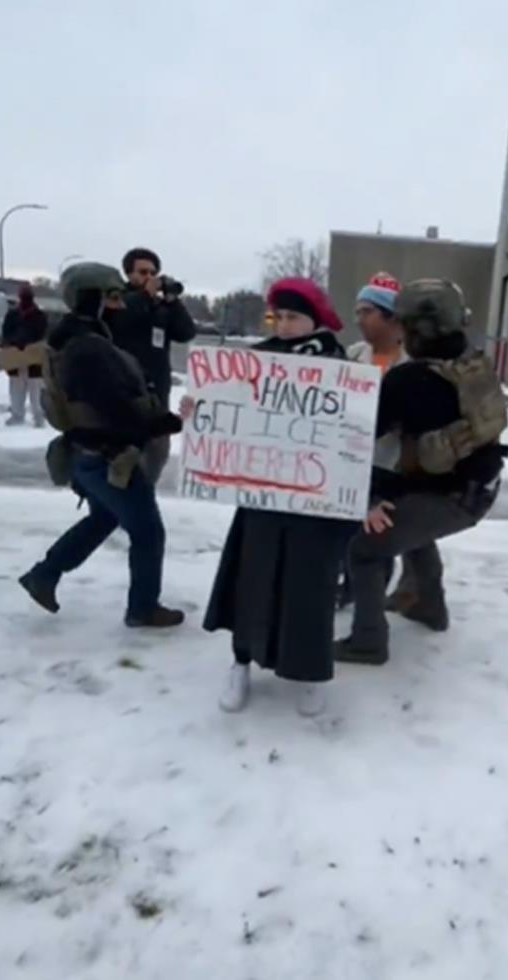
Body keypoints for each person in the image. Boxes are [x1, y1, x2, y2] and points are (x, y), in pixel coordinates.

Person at [203, 278, 357, 717]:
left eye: (294, 316)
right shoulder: (258, 359)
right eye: (279, 316)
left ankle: (309, 671)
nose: (286, 325)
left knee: (310, 585)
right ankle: (241, 661)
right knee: (251, 577)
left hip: (316, 498)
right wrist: (203, 410)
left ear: (314, 319)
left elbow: (356, 428)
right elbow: (225, 407)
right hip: (262, 495)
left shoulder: (339, 364)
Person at [335, 279, 508, 665]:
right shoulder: (471, 362)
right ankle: (429, 605)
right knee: (406, 516)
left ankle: (367, 641)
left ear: (416, 330)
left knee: (363, 550)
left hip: (450, 495)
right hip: (479, 485)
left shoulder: (409, 379)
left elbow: (358, 434)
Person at [17, 262, 186, 627]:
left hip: (88, 452)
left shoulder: (78, 336)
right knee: (148, 532)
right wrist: (159, 423)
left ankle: (44, 574)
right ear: (89, 298)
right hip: (106, 454)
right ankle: (142, 608)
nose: (120, 303)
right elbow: (112, 404)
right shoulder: (86, 345)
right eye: (112, 296)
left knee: (104, 517)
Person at [340, 272, 411, 609]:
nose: (359, 320)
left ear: (390, 317)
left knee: (377, 535)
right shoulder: (353, 356)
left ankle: (373, 601)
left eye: (366, 311)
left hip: (392, 466)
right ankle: (349, 588)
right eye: (357, 311)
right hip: (352, 459)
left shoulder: (411, 365)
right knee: (348, 531)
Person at [105, 247, 198, 483]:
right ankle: (125, 504)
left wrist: (173, 302)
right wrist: (145, 295)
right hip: (125, 391)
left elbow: (186, 332)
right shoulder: (118, 300)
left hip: (157, 390)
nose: (149, 277)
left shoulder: (160, 307)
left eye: (153, 272)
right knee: (126, 456)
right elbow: (122, 319)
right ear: (129, 274)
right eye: (143, 271)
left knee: (157, 452)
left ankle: (143, 498)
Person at [0, 285, 49, 426]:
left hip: (33, 356)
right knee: (17, 387)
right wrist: (11, 343)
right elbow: (6, 333)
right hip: (16, 356)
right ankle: (17, 414)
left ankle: (38, 416)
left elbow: (41, 333)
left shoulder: (39, 316)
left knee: (36, 389)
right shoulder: (13, 315)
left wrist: (21, 342)